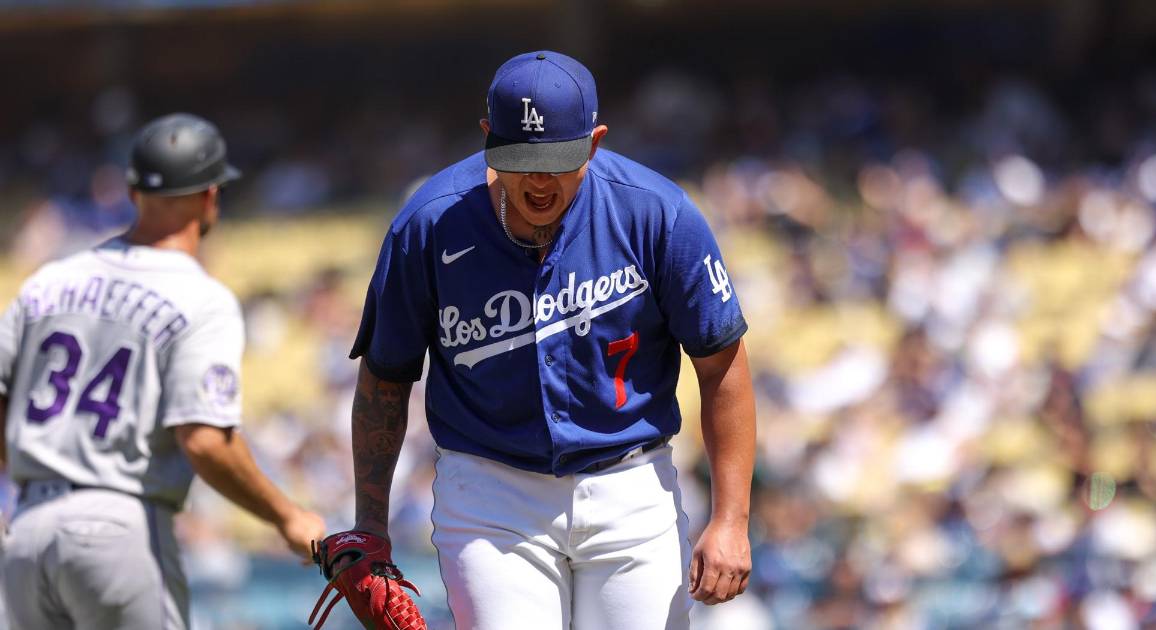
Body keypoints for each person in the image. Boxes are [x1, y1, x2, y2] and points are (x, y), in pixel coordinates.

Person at [341, 50, 756, 629]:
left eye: (557, 160)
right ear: (488, 138)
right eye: (521, 159)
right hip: (490, 496)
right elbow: (384, 379)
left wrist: (731, 520)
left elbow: (722, 367)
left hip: (632, 485)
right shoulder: (430, 222)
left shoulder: (657, 214)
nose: (538, 179)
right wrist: (371, 526)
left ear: (594, 142)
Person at [0, 113, 326, 629]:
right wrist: (287, 516)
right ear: (210, 196)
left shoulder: (48, 282)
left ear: (133, 193)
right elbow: (204, 441)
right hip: (118, 526)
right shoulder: (200, 298)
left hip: (27, 530)